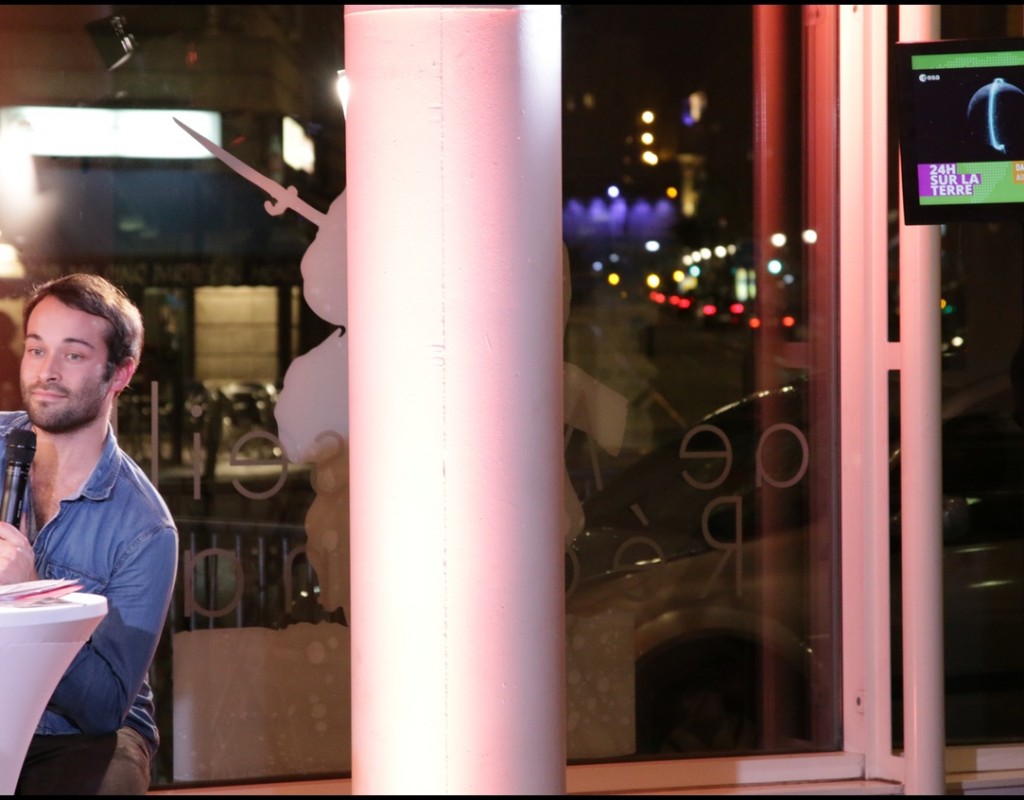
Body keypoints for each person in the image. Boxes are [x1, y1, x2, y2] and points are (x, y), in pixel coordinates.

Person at [0, 273, 178, 794]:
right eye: (37, 349)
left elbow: (102, 708)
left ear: (120, 373)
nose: (46, 372)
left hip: (75, 735)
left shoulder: (145, 528)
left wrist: (33, 598)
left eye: (73, 355)